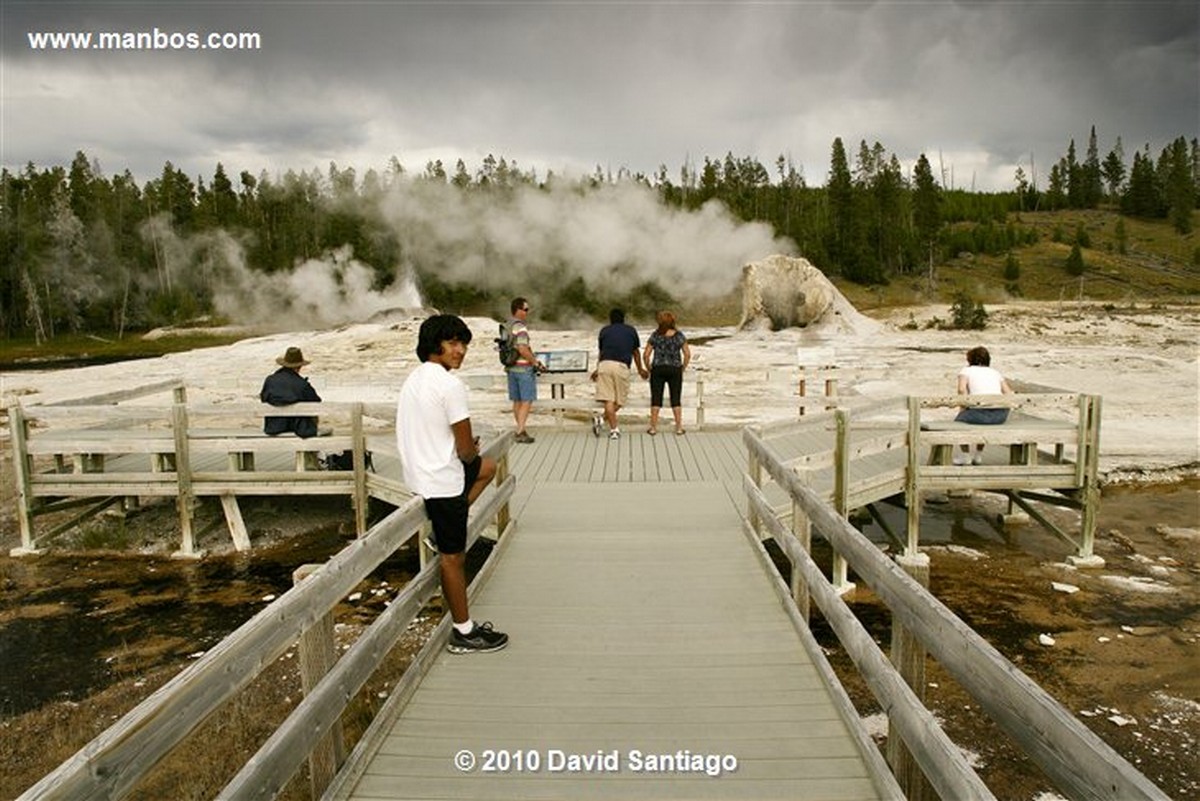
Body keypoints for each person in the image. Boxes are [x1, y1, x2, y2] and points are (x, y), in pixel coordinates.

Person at [397, 314, 507, 654]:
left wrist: (471, 457)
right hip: (442, 482)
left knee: (489, 467)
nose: (460, 350)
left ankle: (442, 529)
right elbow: (464, 450)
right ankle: (464, 631)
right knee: (453, 558)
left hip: (418, 473)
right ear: (436, 345)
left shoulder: (415, 378)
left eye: (464, 344)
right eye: (453, 343)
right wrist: (468, 451)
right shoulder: (450, 385)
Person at [589, 308, 648, 440]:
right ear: (623, 318)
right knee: (620, 400)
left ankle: (611, 428)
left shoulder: (604, 331)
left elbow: (602, 351)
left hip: (604, 365)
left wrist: (598, 369)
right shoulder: (631, 330)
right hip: (621, 366)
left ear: (610, 319)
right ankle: (607, 424)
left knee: (609, 400)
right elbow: (636, 352)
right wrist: (640, 369)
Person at [953, 345, 1013, 465]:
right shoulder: (995, 372)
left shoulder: (966, 371)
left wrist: (963, 407)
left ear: (970, 359)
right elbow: (1008, 392)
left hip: (979, 414)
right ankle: (978, 455)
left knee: (958, 424)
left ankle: (966, 456)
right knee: (983, 421)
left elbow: (961, 390)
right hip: (1000, 415)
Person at [643, 310, 692, 435]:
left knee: (656, 399)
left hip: (658, 368)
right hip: (675, 369)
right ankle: (679, 427)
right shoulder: (679, 335)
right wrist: (683, 368)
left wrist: (649, 368)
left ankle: (653, 428)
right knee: (676, 398)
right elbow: (687, 354)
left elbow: (646, 355)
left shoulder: (655, 335)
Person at [505, 297, 545, 444]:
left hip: (511, 368)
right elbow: (522, 348)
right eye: (526, 309)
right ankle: (520, 431)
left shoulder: (507, 325)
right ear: (518, 310)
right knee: (526, 400)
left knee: (516, 401)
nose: (527, 312)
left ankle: (520, 428)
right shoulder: (520, 327)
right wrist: (534, 362)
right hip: (523, 368)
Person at [260, 346, 323, 438]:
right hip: (299, 429)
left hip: (274, 427)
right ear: (300, 366)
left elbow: (264, 398)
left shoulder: (270, 380)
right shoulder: (301, 384)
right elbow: (316, 402)